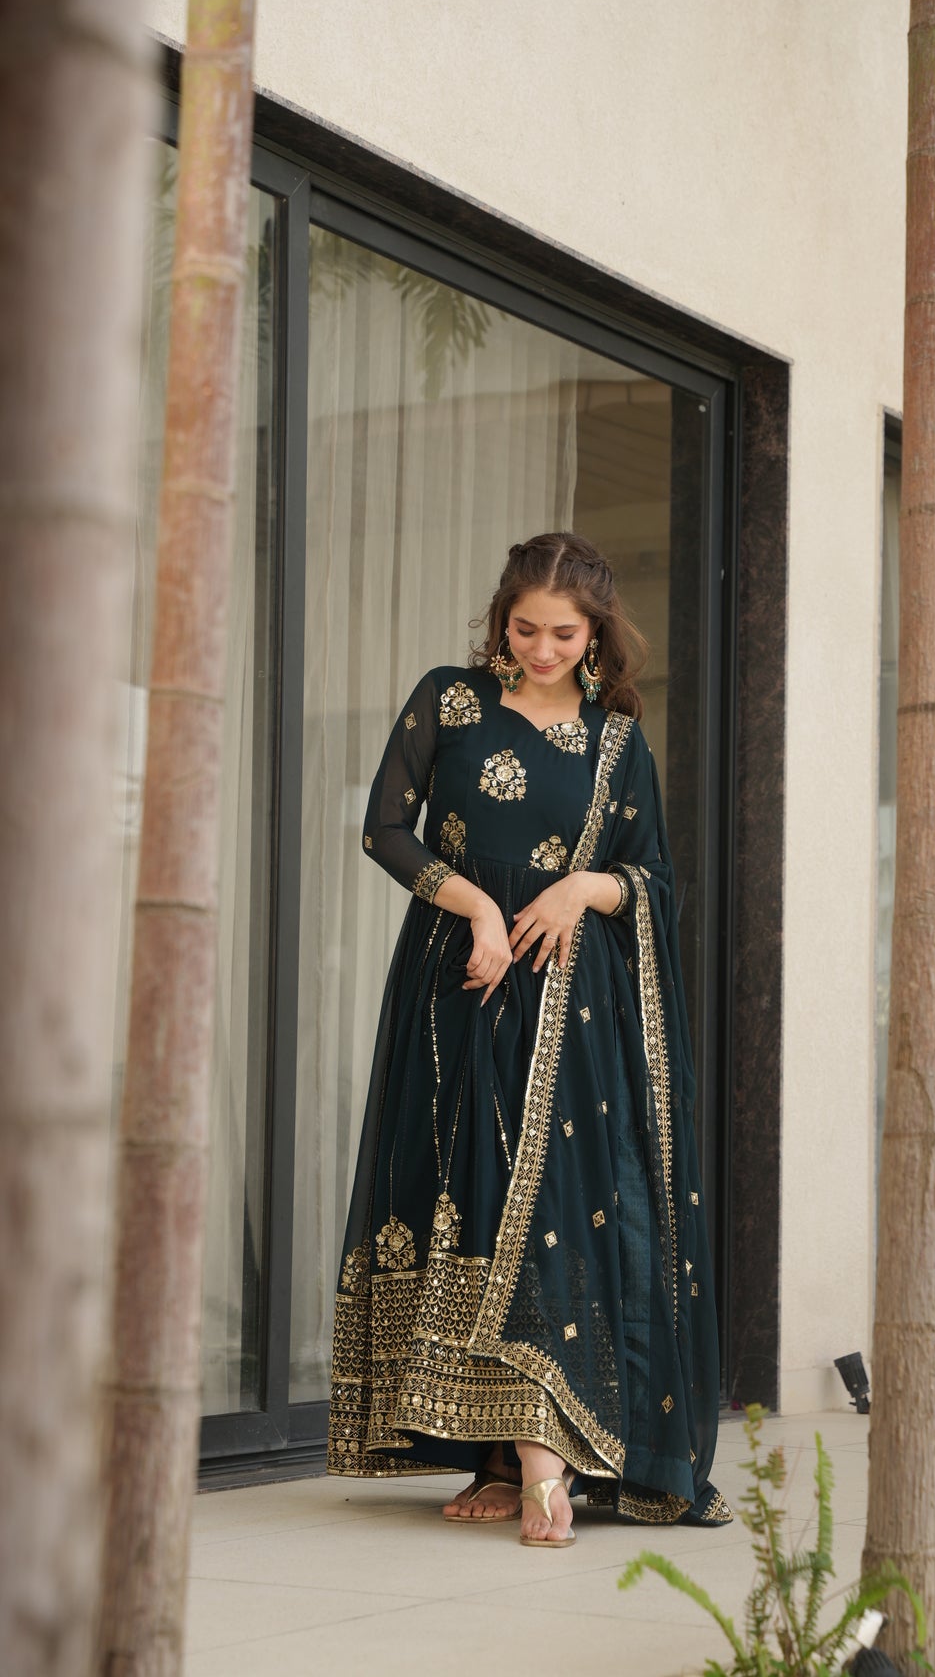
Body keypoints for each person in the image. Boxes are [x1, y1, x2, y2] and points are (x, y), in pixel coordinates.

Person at [327, 531, 730, 1547]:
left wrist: (580, 887)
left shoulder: (616, 742)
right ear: (499, 621)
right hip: (458, 980)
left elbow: (653, 879)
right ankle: (496, 1460)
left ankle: (544, 1457)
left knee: (549, 1202)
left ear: (596, 636)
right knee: (464, 1189)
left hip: (568, 1000)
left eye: (563, 635)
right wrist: (474, 907)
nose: (541, 650)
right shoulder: (449, 702)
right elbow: (384, 829)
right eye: (523, 629)